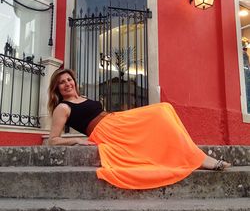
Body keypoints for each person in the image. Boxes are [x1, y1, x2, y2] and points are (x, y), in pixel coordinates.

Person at [48, 68, 231, 190]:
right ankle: (199, 159)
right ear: (57, 89)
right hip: (107, 131)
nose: (67, 84)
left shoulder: (84, 97)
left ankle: (194, 156)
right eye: (62, 82)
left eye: (69, 79)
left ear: (74, 81)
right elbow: (53, 140)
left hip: (116, 120)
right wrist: (77, 139)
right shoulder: (63, 108)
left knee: (165, 109)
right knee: (162, 111)